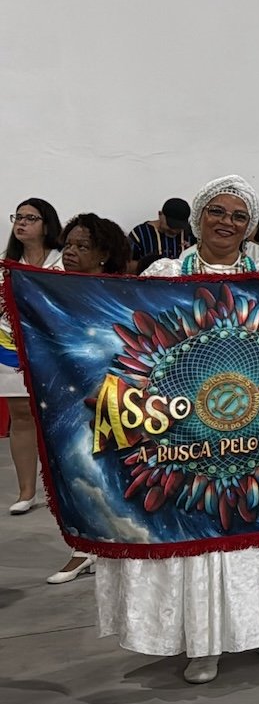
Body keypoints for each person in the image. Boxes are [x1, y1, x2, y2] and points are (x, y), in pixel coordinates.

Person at [102, 175, 259, 684]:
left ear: (251, 226)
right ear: (199, 218)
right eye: (217, 212)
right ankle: (205, 642)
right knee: (202, 536)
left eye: (239, 216)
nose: (227, 223)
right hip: (185, 435)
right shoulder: (164, 274)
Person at [38, 213, 131, 584]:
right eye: (68, 245)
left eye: (82, 246)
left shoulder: (119, 293)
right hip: (66, 398)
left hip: (116, 399)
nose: (71, 252)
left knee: (113, 470)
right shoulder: (52, 291)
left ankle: (118, 544)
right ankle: (84, 548)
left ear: (104, 254)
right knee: (75, 469)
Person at [1, 198, 62, 515]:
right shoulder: (4, 265)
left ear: (47, 225)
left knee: (60, 418)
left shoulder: (63, 263)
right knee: (21, 416)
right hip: (10, 347)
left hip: (53, 350)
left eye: (30, 218)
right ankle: (26, 491)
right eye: (18, 217)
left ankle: (65, 490)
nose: (21, 223)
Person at [126, 198, 196, 268]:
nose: (175, 230)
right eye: (171, 225)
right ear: (160, 214)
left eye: (179, 227)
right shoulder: (140, 234)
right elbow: (129, 263)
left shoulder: (190, 234)